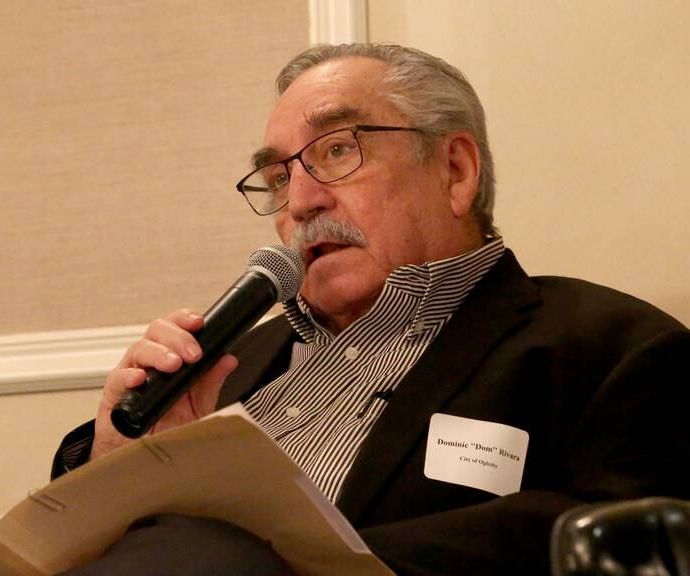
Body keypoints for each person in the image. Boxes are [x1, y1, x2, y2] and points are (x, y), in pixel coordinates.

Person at [52, 43, 690, 575]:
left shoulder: (611, 351)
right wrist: (120, 466)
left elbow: (629, 549)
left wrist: (290, 564)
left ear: (456, 170)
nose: (299, 201)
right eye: (276, 178)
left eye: (336, 150)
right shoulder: (220, 371)